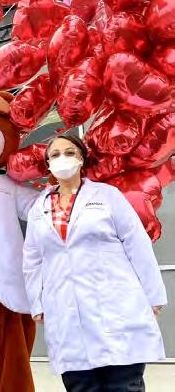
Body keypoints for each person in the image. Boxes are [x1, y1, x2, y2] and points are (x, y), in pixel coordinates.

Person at [23, 134, 167, 392]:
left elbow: (137, 244)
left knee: (124, 385)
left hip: (116, 307)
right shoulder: (39, 208)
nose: (62, 158)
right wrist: (37, 302)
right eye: (54, 155)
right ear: (48, 165)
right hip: (65, 310)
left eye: (69, 152)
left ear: (81, 158)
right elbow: (32, 259)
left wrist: (153, 295)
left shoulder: (107, 196)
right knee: (80, 385)